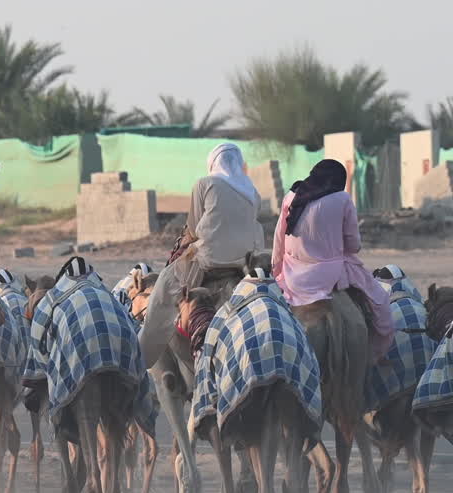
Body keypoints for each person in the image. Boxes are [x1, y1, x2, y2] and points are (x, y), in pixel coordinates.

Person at [138, 143, 264, 368]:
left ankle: (141, 359)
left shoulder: (204, 184)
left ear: (213, 164)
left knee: (162, 291)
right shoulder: (252, 192)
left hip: (206, 262)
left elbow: (194, 227)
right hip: (244, 265)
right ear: (238, 163)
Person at [273, 159, 394, 360]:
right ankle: (376, 357)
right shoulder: (342, 198)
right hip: (331, 273)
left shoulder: (292, 196)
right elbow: (353, 246)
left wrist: (276, 271)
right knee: (380, 302)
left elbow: (279, 240)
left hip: (292, 274)